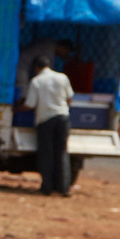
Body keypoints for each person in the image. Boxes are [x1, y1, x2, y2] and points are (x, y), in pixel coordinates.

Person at [29, 46, 74, 196]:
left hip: (45, 120)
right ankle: (64, 188)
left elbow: (30, 104)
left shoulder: (36, 81)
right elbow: (69, 98)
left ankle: (47, 187)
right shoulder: (63, 77)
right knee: (61, 153)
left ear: (36, 68)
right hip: (63, 118)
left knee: (46, 154)